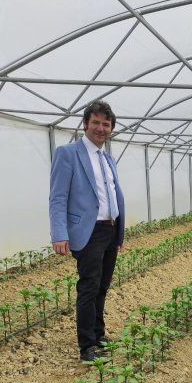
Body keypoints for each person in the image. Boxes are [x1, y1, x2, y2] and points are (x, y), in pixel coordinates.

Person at [49, 100, 125, 362]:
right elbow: (58, 197)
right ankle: (87, 346)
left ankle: (99, 334)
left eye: (106, 124)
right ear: (85, 124)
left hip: (110, 230)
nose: (101, 128)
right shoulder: (68, 153)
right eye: (96, 123)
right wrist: (59, 233)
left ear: (111, 128)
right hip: (89, 231)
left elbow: (113, 195)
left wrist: (119, 233)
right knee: (89, 287)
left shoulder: (108, 157)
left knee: (102, 286)